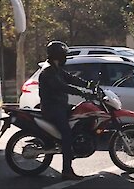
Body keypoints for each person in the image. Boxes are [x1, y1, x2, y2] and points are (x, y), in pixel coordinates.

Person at [39, 41, 93, 180]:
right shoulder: (48, 71)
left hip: (60, 106)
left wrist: (88, 84)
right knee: (67, 135)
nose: (65, 58)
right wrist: (81, 92)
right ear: (58, 55)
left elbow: (70, 78)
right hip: (53, 109)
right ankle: (67, 171)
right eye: (64, 55)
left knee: (80, 119)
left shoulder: (56, 68)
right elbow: (62, 86)